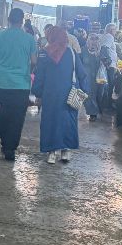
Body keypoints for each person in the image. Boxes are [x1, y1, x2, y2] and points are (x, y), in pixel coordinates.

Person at [0, 8, 38, 161]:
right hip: (22, 85)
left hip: (2, 82)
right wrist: (28, 70)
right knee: (17, 117)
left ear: (8, 19)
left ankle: (4, 143)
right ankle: (11, 148)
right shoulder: (29, 39)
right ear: (22, 21)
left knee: (2, 115)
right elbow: (34, 61)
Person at [32, 27, 88, 164]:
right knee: (68, 122)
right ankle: (66, 152)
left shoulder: (44, 53)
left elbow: (40, 76)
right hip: (69, 93)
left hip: (50, 94)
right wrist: (85, 91)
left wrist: (37, 92)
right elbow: (82, 73)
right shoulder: (72, 52)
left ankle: (51, 153)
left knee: (50, 121)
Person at [81, 34, 103, 121]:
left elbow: (108, 61)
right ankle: (92, 113)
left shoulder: (102, 50)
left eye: (96, 39)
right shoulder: (83, 50)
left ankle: (99, 110)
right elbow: (78, 63)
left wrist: (104, 60)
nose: (94, 41)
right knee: (89, 95)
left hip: (100, 77)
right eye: (92, 39)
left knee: (100, 95)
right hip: (87, 78)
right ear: (88, 40)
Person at [99, 23, 120, 111]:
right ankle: (107, 105)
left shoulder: (105, 36)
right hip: (109, 66)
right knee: (109, 85)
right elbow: (104, 48)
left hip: (108, 65)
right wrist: (108, 62)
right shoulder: (109, 37)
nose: (115, 32)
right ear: (111, 30)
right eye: (115, 30)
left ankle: (105, 104)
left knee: (106, 85)